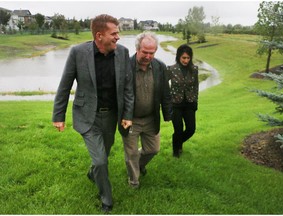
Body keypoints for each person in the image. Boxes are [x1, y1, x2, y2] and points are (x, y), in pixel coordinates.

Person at [52, 14, 134, 213]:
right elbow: (65, 85)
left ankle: (93, 173)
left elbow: (128, 87)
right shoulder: (78, 53)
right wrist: (58, 115)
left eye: (118, 33)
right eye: (114, 33)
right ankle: (107, 199)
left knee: (103, 155)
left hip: (112, 116)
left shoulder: (122, 53)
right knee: (100, 160)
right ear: (99, 35)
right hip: (88, 115)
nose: (118, 37)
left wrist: (127, 114)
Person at [121, 31, 172, 188]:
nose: (148, 56)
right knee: (131, 153)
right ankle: (133, 182)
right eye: (145, 52)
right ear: (137, 49)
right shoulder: (125, 66)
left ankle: (139, 165)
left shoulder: (160, 67)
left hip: (151, 118)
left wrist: (168, 114)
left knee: (153, 149)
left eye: (152, 52)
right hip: (130, 119)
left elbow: (166, 93)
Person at [167, 44, 199, 158]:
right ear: (178, 57)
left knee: (191, 129)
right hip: (175, 104)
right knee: (178, 129)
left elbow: (196, 86)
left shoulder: (194, 69)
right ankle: (176, 151)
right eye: (183, 58)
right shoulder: (171, 69)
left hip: (190, 103)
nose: (186, 60)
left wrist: (195, 102)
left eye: (188, 58)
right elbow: (164, 86)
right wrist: (167, 102)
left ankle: (177, 141)